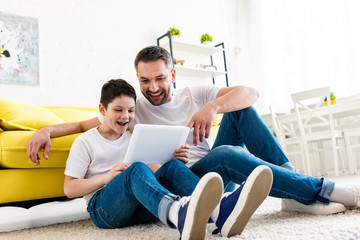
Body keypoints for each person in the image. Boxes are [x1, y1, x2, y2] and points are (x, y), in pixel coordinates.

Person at [27, 46, 359, 217]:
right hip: (182, 176)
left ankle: (293, 184)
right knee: (228, 154)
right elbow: (87, 124)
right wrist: (47, 129)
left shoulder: (196, 94)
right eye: (145, 81)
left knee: (239, 109)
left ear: (173, 74)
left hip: (213, 171)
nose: (152, 87)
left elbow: (250, 92)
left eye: (159, 78)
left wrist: (213, 107)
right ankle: (320, 189)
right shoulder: (132, 110)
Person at [64, 79, 274, 239]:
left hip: (138, 208)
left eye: (130, 111)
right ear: (102, 109)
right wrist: (106, 178)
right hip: (103, 210)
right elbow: (69, 188)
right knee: (135, 168)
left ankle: (220, 210)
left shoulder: (133, 137)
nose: (125, 117)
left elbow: (152, 171)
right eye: (118, 110)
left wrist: (173, 161)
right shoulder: (85, 142)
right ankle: (177, 213)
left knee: (170, 165)